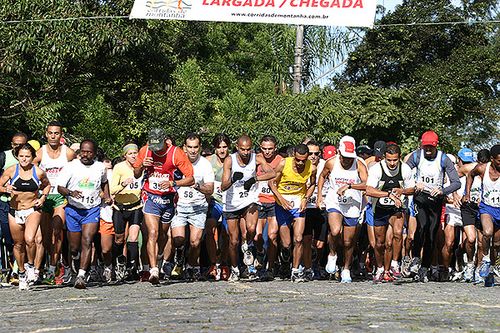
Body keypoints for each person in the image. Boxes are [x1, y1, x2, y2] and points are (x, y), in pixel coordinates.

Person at [133, 128, 194, 284]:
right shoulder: (145, 151)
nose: (156, 149)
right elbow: (136, 174)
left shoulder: (176, 153)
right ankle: (153, 270)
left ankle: (159, 258)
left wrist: (173, 183)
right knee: (151, 232)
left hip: (168, 198)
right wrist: (141, 166)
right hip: (150, 196)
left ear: (166, 142)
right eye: (153, 146)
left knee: (162, 234)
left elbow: (191, 179)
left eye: (159, 146)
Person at [406, 131, 460, 282]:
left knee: (431, 234)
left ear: (436, 145)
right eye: (426, 147)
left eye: (431, 147)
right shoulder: (416, 156)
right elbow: (404, 174)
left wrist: (443, 190)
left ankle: (424, 267)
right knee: (422, 226)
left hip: (436, 200)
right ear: (422, 145)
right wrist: (414, 184)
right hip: (420, 197)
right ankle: (416, 257)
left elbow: (457, 182)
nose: (428, 150)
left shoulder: (444, 159)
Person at [57, 139, 111, 289]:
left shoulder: (100, 167)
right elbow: (60, 187)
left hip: (91, 209)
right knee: (74, 247)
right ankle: (75, 259)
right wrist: (70, 192)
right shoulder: (71, 167)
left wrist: (107, 195)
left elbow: (104, 182)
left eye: (89, 152)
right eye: (83, 151)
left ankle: (81, 275)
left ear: (94, 153)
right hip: (73, 209)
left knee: (87, 240)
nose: (85, 155)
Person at [221, 135, 275, 282]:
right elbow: (223, 186)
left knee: (251, 229)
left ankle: (248, 245)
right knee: (233, 240)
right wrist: (233, 179)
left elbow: (272, 173)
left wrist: (256, 179)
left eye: (248, 149)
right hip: (232, 202)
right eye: (242, 149)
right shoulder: (230, 160)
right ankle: (235, 269)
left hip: (250, 199)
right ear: (237, 148)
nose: (245, 152)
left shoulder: (256, 158)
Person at [317, 135, 368, 283]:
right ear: (339, 152)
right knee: (335, 231)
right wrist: (320, 196)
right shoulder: (331, 163)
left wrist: (350, 186)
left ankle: (346, 268)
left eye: (350, 157)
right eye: (345, 157)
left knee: (348, 241)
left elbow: (367, 184)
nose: (347, 160)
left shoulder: (359, 165)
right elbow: (322, 177)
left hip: (352, 202)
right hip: (335, 200)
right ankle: (332, 254)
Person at [0, 144, 50, 290]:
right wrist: (5, 189)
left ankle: (30, 265)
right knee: (18, 244)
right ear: (17, 156)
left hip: (32, 210)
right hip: (15, 210)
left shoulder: (38, 172)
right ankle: (21, 273)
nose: (24, 159)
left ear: (32, 157)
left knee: (30, 239)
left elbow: (47, 185)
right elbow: (0, 185)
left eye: (27, 156)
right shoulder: (11, 170)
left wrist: (42, 198)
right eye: (21, 156)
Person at [33, 121, 76, 285]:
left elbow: (78, 170)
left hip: (60, 196)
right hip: (45, 197)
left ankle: (52, 268)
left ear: (61, 135)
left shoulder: (69, 153)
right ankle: (38, 270)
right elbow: (30, 170)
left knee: (57, 232)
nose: (53, 136)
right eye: (50, 133)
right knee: (44, 237)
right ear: (46, 134)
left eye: (56, 133)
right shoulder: (40, 152)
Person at [365, 143, 415, 282]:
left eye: (395, 160)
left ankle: (394, 264)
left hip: (397, 207)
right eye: (389, 160)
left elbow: (413, 189)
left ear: (399, 158)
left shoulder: (405, 169)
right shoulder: (377, 169)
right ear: (384, 158)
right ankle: (380, 268)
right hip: (380, 208)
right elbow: (369, 190)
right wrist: (388, 194)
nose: (392, 163)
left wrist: (402, 191)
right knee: (380, 243)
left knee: (398, 233)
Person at [269, 144, 316, 282]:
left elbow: (312, 184)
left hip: (299, 203)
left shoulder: (312, 167)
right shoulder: (283, 164)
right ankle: (285, 257)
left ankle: (295, 271)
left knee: (299, 239)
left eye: (303, 160)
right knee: (287, 244)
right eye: (298, 160)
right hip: (282, 204)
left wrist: (306, 199)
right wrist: (280, 199)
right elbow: (271, 183)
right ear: (294, 155)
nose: (301, 163)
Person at [170, 133, 214, 281]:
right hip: (180, 206)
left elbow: (210, 189)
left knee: (195, 242)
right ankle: (180, 255)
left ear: (200, 147)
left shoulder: (205, 164)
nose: (193, 150)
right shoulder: (176, 162)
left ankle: (190, 266)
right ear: (184, 148)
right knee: (178, 239)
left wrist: (197, 186)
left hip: (198, 207)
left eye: (196, 147)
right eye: (190, 147)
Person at [463, 144, 500, 279]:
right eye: (499, 161)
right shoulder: (483, 168)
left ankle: (492, 266)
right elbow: (470, 175)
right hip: (487, 207)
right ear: (492, 159)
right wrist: (467, 193)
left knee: (497, 244)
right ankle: (485, 258)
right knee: (487, 232)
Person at [110, 143, 143, 281]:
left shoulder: (141, 168)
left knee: (133, 237)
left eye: (135, 153)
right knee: (119, 238)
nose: (133, 156)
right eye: (130, 153)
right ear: (125, 156)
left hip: (136, 206)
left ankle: (132, 266)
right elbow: (112, 190)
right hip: (120, 207)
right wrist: (123, 184)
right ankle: (118, 262)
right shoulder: (119, 167)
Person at [0, 133, 28, 281]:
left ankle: (19, 270)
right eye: (16, 144)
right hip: (5, 203)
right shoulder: (3, 157)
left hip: (25, 205)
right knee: (9, 239)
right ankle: (11, 265)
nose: (19, 147)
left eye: (22, 145)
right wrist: (5, 189)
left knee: (24, 239)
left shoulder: (31, 158)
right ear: (12, 145)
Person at [255, 135, 283, 280]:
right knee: (258, 236)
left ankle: (270, 268)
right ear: (260, 147)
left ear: (275, 148)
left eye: (270, 149)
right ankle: (259, 253)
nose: (267, 152)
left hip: (273, 202)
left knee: (272, 237)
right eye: (264, 149)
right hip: (258, 201)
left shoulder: (281, 161)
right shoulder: (255, 159)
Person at [304, 141, 330, 280]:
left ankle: (317, 263)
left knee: (320, 243)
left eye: (316, 153)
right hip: (306, 206)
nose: (313, 156)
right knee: (306, 239)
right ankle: (307, 266)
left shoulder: (326, 165)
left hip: (322, 205)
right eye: (310, 153)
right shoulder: (301, 164)